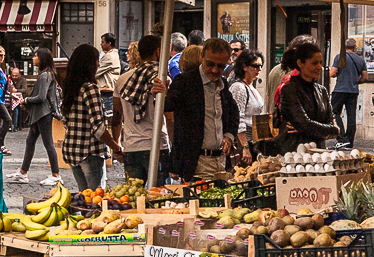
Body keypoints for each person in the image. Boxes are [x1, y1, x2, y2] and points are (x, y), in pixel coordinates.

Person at [164, 38, 243, 182]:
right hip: (196, 163)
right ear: (202, 57)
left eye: (220, 66)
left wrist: (229, 136)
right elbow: (167, 107)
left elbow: (233, 113)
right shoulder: (184, 82)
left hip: (220, 161)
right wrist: (159, 94)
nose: (214, 70)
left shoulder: (223, 83)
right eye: (210, 64)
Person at [112, 32, 168, 183]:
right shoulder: (162, 80)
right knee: (159, 198)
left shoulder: (123, 80)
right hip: (157, 146)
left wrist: (116, 144)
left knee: (134, 198)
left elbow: (117, 116)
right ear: (158, 52)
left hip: (131, 146)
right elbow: (169, 116)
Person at [60, 45, 118, 191]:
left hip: (72, 149)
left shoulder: (69, 88)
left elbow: (65, 121)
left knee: (83, 195)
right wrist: (115, 147)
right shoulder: (90, 88)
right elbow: (98, 127)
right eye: (96, 61)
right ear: (89, 64)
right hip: (89, 151)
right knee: (95, 197)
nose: (98, 64)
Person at [275, 40, 339, 151]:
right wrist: (326, 129)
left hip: (319, 154)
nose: (319, 67)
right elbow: (305, 125)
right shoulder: (289, 89)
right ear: (300, 64)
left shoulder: (322, 90)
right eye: (314, 63)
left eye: (320, 62)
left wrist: (307, 128)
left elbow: (334, 128)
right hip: (294, 154)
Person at [12, 46, 62, 187]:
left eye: (35, 56)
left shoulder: (46, 75)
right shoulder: (46, 74)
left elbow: (41, 97)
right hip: (39, 114)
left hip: (43, 113)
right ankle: (23, 172)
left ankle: (56, 175)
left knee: (48, 143)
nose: (33, 58)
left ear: (42, 59)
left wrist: (26, 100)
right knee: (30, 141)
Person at [329, 38, 368, 146]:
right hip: (353, 90)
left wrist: (339, 75)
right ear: (355, 47)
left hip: (340, 89)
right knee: (351, 116)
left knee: (334, 113)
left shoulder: (339, 57)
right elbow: (365, 77)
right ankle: (350, 141)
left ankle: (342, 138)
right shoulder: (360, 60)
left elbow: (332, 73)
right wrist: (356, 81)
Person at [229, 50, 265, 139]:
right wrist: (245, 146)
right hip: (244, 139)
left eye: (261, 66)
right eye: (255, 66)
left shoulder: (251, 88)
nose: (259, 69)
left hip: (255, 138)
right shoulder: (239, 87)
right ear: (244, 67)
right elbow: (237, 119)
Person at [96, 34, 122, 116]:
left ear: (109, 43)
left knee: (107, 119)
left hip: (107, 92)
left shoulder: (109, 57)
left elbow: (96, 72)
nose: (101, 44)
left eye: (103, 42)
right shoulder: (112, 55)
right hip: (108, 92)